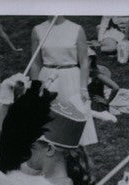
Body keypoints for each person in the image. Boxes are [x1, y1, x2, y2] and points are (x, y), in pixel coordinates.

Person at [28, 16, 98, 147]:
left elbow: (84, 62)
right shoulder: (38, 30)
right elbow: (35, 63)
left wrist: (83, 88)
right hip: (47, 76)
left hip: (70, 76)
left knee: (74, 116)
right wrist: (35, 87)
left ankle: (75, 150)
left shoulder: (76, 29)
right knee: (47, 115)